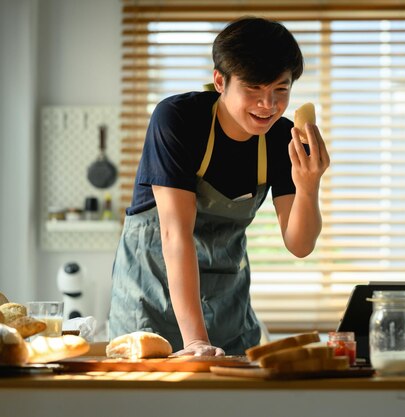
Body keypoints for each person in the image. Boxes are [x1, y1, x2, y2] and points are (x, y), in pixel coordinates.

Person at [108, 17, 330, 356]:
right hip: (150, 300)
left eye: (280, 90)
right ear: (220, 81)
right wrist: (196, 340)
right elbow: (175, 236)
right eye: (253, 89)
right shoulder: (178, 119)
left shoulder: (281, 139)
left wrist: (309, 185)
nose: (267, 105)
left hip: (228, 310)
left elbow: (299, 245)